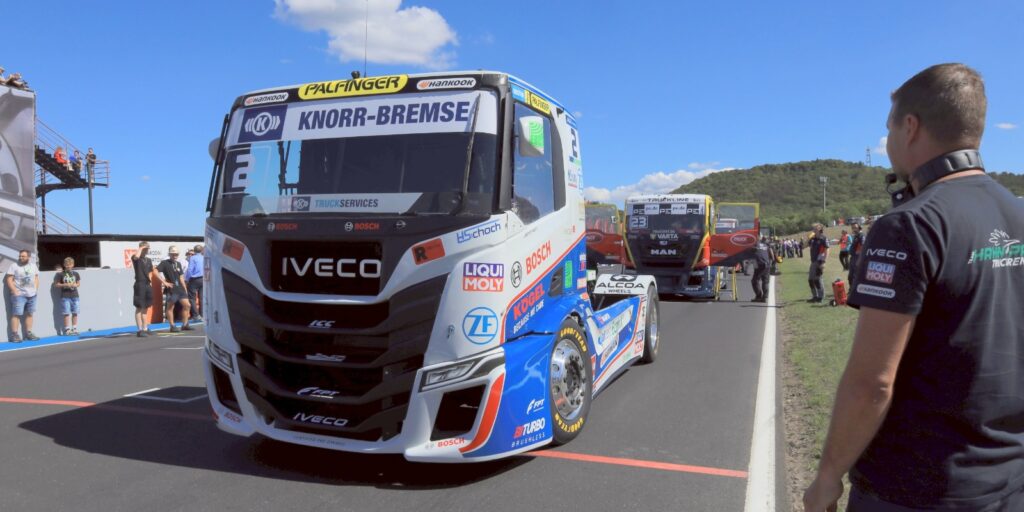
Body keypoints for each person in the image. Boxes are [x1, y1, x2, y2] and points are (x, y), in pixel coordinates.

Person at [803, 64, 1024, 512]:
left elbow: (872, 383)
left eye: (889, 129)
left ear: (910, 127)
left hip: (916, 487)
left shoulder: (909, 224)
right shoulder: (1016, 212)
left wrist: (827, 475)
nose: (888, 143)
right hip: (1009, 479)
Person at [5, 250, 40, 342]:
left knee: (30, 314)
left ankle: (29, 333)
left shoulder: (33, 266)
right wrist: (14, 291)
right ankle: (14, 335)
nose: (21, 258)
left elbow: (36, 278)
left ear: (28, 257)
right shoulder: (14, 266)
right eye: (20, 256)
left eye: (23, 256)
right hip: (19, 295)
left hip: (32, 294)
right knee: (16, 314)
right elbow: (9, 279)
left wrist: (35, 289)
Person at [157, 245, 192, 332]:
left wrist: (185, 287)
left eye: (176, 254)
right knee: (170, 307)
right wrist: (164, 282)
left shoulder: (178, 263)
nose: (175, 256)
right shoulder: (164, 263)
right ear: (169, 254)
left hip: (180, 288)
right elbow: (155, 271)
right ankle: (172, 325)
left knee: (187, 305)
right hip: (171, 288)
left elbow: (181, 277)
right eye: (173, 254)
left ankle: (185, 324)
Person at [131, 241, 157, 337]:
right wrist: (141, 248)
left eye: (147, 249)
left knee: (146, 307)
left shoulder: (148, 260)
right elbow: (136, 257)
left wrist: (150, 281)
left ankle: (145, 328)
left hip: (147, 284)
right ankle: (139, 329)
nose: (146, 250)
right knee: (139, 307)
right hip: (139, 283)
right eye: (145, 249)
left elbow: (150, 271)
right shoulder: (136, 258)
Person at [55, 257, 81, 336]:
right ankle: (67, 330)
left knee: (75, 312)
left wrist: (75, 285)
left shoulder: (76, 274)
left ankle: (74, 328)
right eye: (67, 265)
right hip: (65, 296)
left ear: (73, 265)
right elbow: (56, 284)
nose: (68, 266)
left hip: (75, 295)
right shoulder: (60, 274)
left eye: (70, 264)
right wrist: (65, 284)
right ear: (64, 265)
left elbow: (78, 283)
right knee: (66, 313)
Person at [807, 223, 829, 303]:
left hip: (819, 261)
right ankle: (814, 296)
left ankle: (820, 297)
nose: (814, 229)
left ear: (820, 229)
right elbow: (804, 246)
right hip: (813, 261)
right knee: (810, 280)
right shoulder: (813, 239)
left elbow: (827, 250)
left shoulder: (823, 238)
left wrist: (824, 262)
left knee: (817, 279)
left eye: (816, 228)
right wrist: (808, 238)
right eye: (813, 228)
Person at [751, 236, 775, 302]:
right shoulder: (765, 245)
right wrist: (772, 262)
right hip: (767, 264)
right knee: (765, 281)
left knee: (755, 281)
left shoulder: (754, 244)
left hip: (760, 264)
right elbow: (771, 252)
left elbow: (752, 253)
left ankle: (759, 296)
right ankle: (764, 297)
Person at [185, 244, 204, 321]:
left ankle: (196, 315)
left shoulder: (192, 258)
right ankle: (202, 315)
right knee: (202, 298)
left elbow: (190, 270)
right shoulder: (204, 257)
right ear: (202, 250)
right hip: (203, 279)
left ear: (194, 250)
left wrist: (187, 279)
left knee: (192, 298)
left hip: (194, 279)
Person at [847, 223, 865, 288]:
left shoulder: (861, 235)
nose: (853, 229)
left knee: (855, 276)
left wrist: (858, 255)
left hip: (857, 258)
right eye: (852, 228)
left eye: (855, 227)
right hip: (853, 257)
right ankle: (851, 290)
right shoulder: (856, 236)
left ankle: (855, 290)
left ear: (859, 227)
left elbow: (863, 246)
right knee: (850, 276)